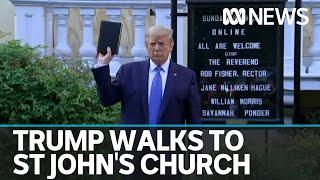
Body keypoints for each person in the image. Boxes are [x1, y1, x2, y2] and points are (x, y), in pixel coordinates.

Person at [92, 25, 201, 124]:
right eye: (153, 44)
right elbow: (107, 99)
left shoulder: (186, 77)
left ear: (171, 46)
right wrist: (103, 65)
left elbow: (194, 121)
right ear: (146, 46)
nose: (157, 48)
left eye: (161, 44)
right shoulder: (128, 72)